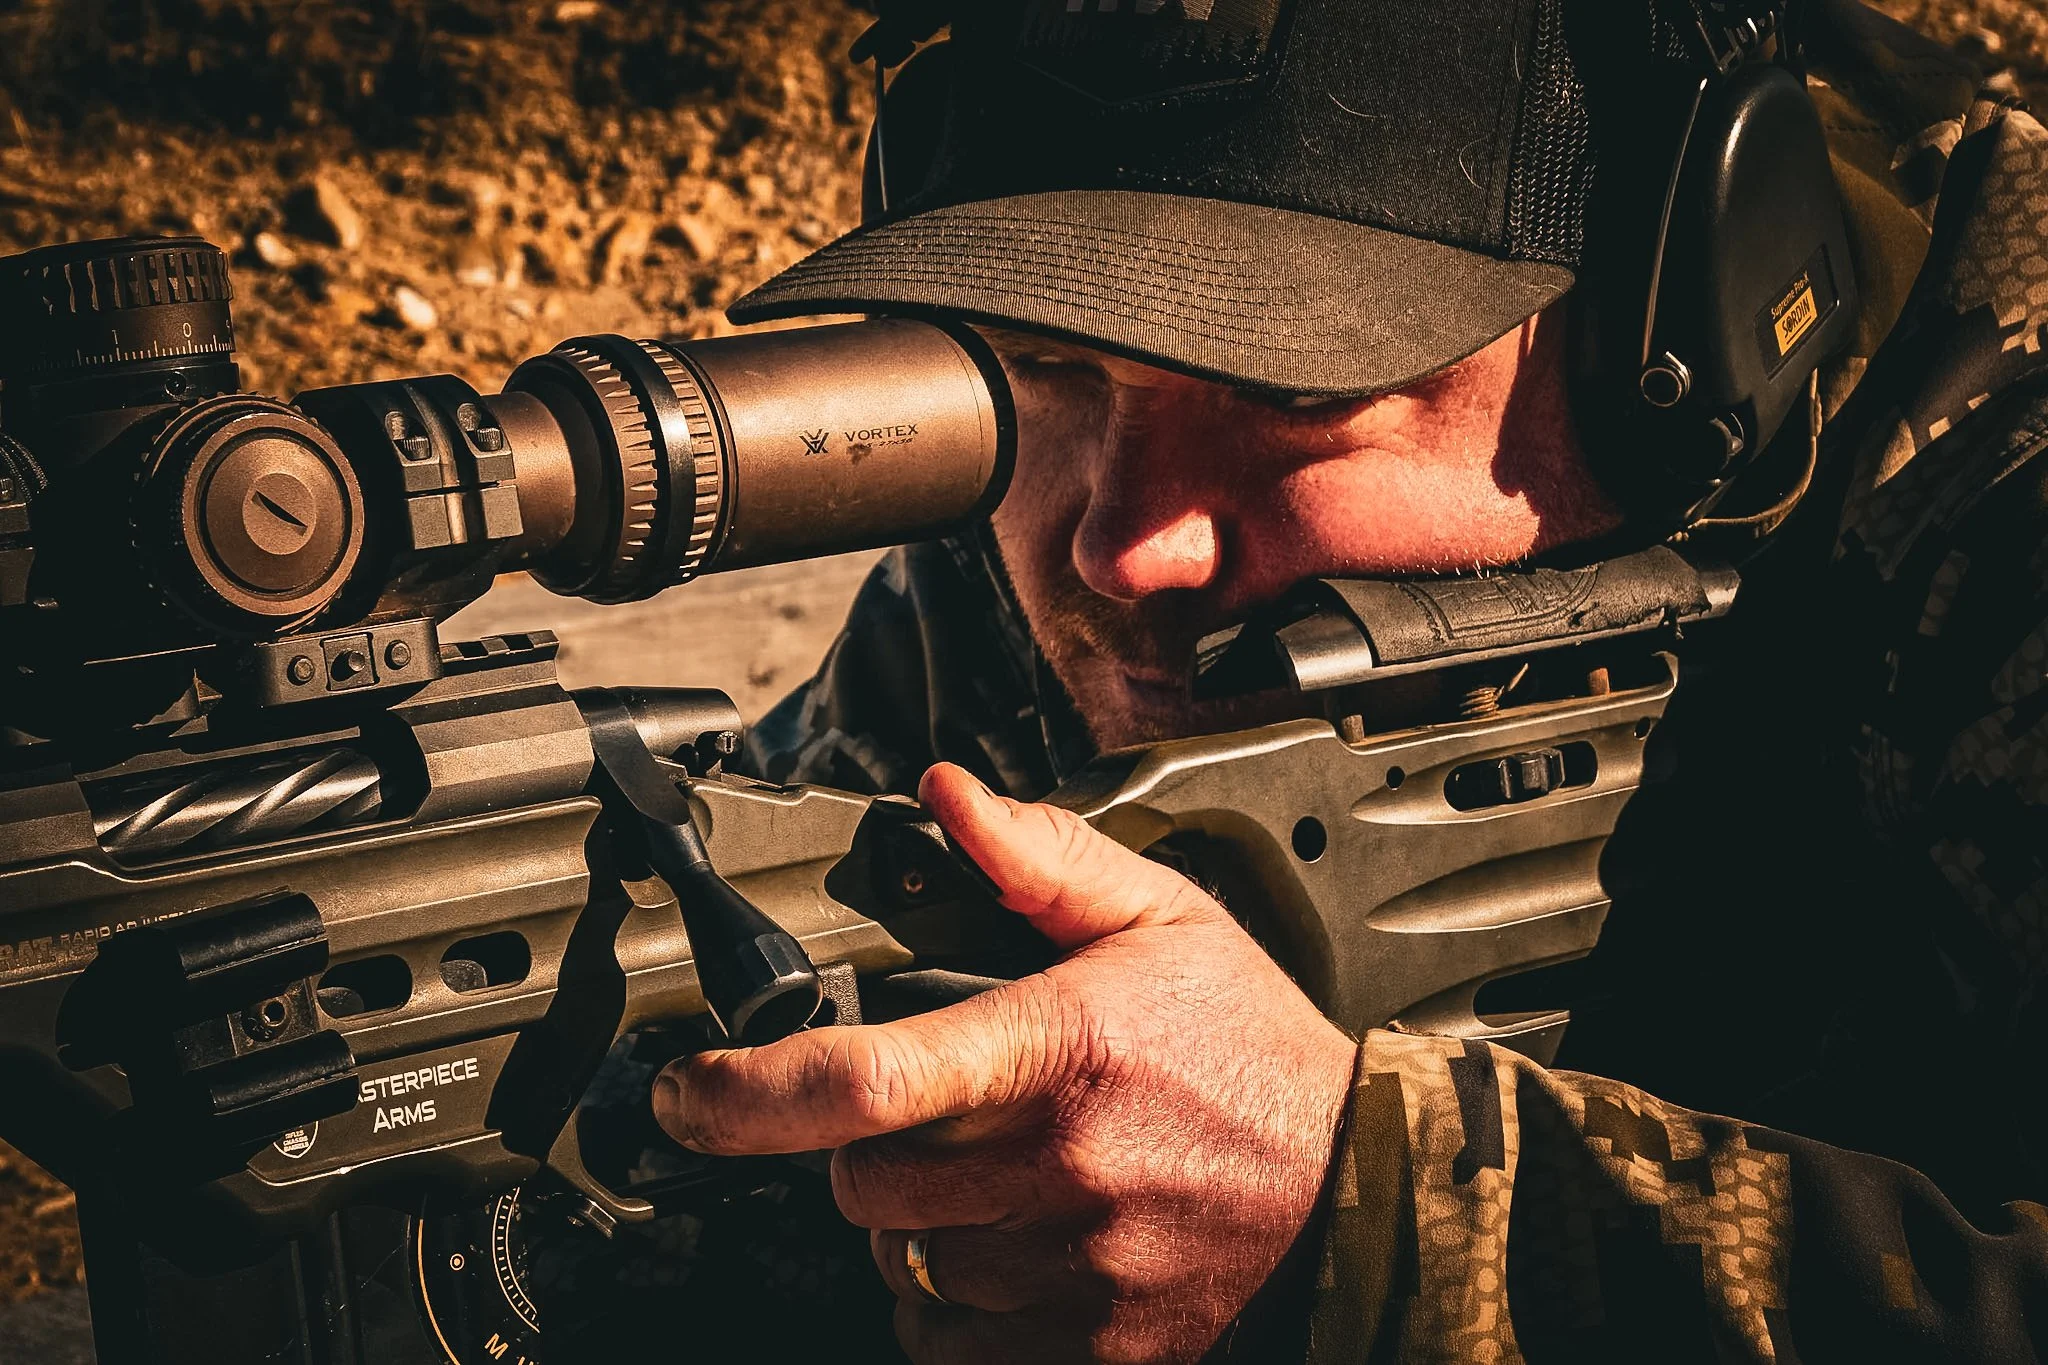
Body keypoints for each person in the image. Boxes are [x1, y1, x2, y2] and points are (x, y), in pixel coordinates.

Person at [653, 0, 2048, 1359]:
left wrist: (1389, 1224)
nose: (1127, 545)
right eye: (1048, 367)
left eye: (1297, 392)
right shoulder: (1036, 564)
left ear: (1699, 304)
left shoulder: (2014, 503)